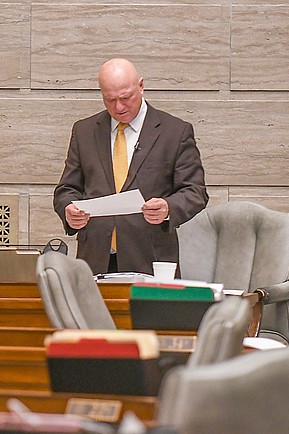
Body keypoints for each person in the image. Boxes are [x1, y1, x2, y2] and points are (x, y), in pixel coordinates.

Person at [53, 58, 208, 275]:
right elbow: (66, 190)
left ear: (141, 86)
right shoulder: (84, 131)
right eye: (110, 99)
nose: (119, 107)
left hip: (150, 260)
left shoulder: (175, 132)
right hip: (94, 260)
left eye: (126, 97)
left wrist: (167, 208)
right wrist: (68, 209)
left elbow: (195, 192)